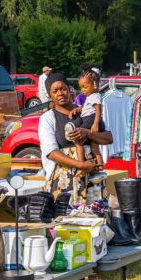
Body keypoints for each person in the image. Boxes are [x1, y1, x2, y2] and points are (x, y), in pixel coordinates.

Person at [38, 72, 110, 202]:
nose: (60, 93)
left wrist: (87, 133)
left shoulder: (86, 110)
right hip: (65, 178)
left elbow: (108, 138)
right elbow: (51, 153)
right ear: (50, 95)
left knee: (95, 214)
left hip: (92, 175)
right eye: (55, 91)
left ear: (69, 89)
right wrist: (81, 165)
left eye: (63, 89)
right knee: (67, 217)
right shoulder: (48, 118)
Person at [69, 68, 103, 169]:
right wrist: (76, 110)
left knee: (78, 142)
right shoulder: (91, 96)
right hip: (91, 119)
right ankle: (100, 165)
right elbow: (85, 108)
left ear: (95, 85)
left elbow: (98, 109)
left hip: (90, 120)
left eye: (85, 87)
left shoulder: (95, 96)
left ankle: (81, 165)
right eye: (81, 87)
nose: (83, 90)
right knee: (94, 146)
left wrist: (95, 123)